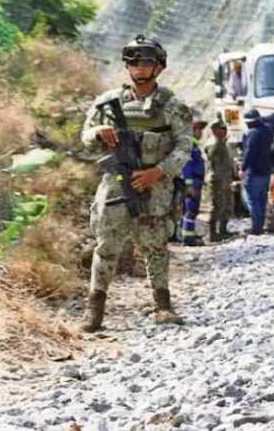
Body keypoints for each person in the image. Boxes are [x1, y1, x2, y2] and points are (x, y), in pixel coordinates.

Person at [79, 35, 191, 331]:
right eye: (133, 62)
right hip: (117, 185)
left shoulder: (172, 106)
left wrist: (160, 171)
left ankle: (162, 306)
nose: (139, 68)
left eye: (146, 62)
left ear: (159, 67)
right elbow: (85, 139)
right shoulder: (107, 103)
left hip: (156, 188)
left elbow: (184, 147)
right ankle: (94, 311)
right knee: (106, 246)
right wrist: (99, 132)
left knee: (156, 247)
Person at [239, 108, 272, 235]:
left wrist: (243, 168)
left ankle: (256, 227)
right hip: (266, 171)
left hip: (255, 171)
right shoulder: (268, 131)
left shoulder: (253, 133)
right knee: (262, 200)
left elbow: (249, 152)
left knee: (252, 200)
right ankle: (260, 226)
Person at [203, 119, 236, 242]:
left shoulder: (222, 142)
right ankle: (212, 233)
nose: (225, 131)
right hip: (217, 178)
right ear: (215, 130)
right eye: (222, 129)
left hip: (225, 178)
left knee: (227, 205)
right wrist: (219, 142)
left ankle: (223, 230)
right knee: (217, 206)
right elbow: (212, 158)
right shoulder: (213, 143)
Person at [179, 117, 208, 246]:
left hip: (196, 181)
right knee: (190, 210)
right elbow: (186, 166)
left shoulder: (194, 145)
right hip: (192, 183)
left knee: (190, 210)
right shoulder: (189, 145)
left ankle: (186, 234)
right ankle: (188, 239)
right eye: (198, 130)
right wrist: (189, 184)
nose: (200, 133)